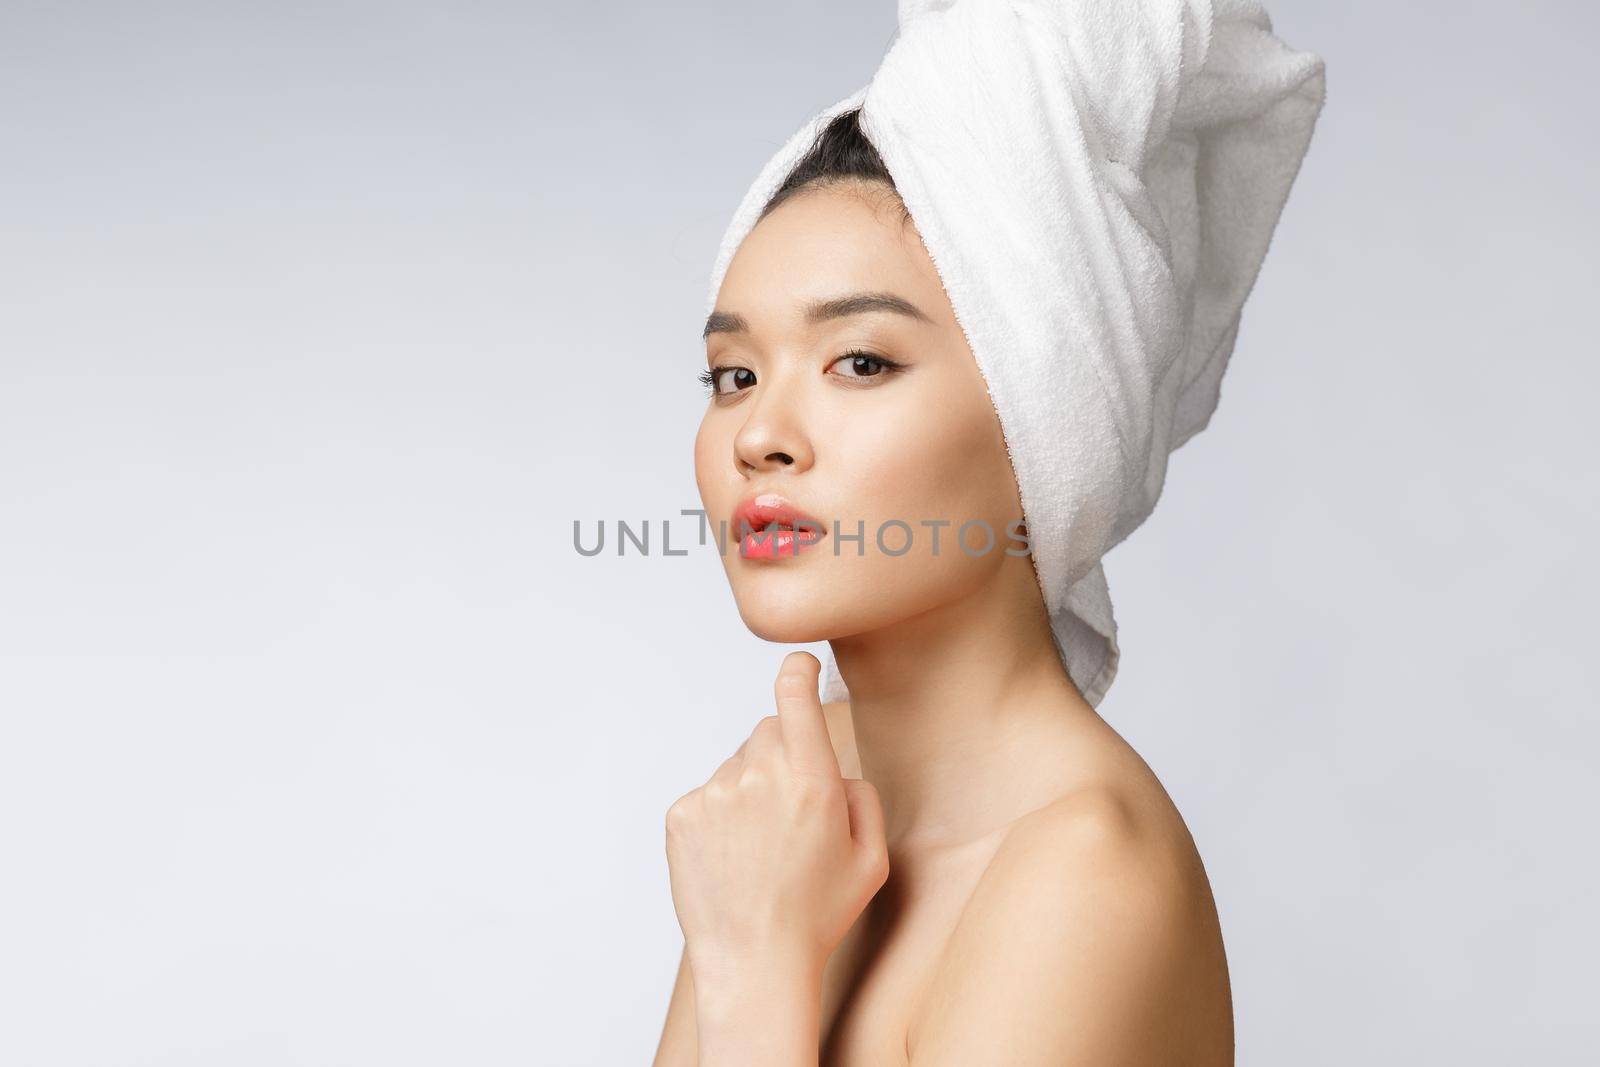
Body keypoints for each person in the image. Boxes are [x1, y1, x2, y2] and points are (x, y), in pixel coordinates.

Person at [654, 2, 1322, 1062]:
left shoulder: (1085, 872)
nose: (759, 436)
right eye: (733, 375)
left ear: (1042, 420)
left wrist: (756, 973)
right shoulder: (789, 803)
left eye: (860, 362)